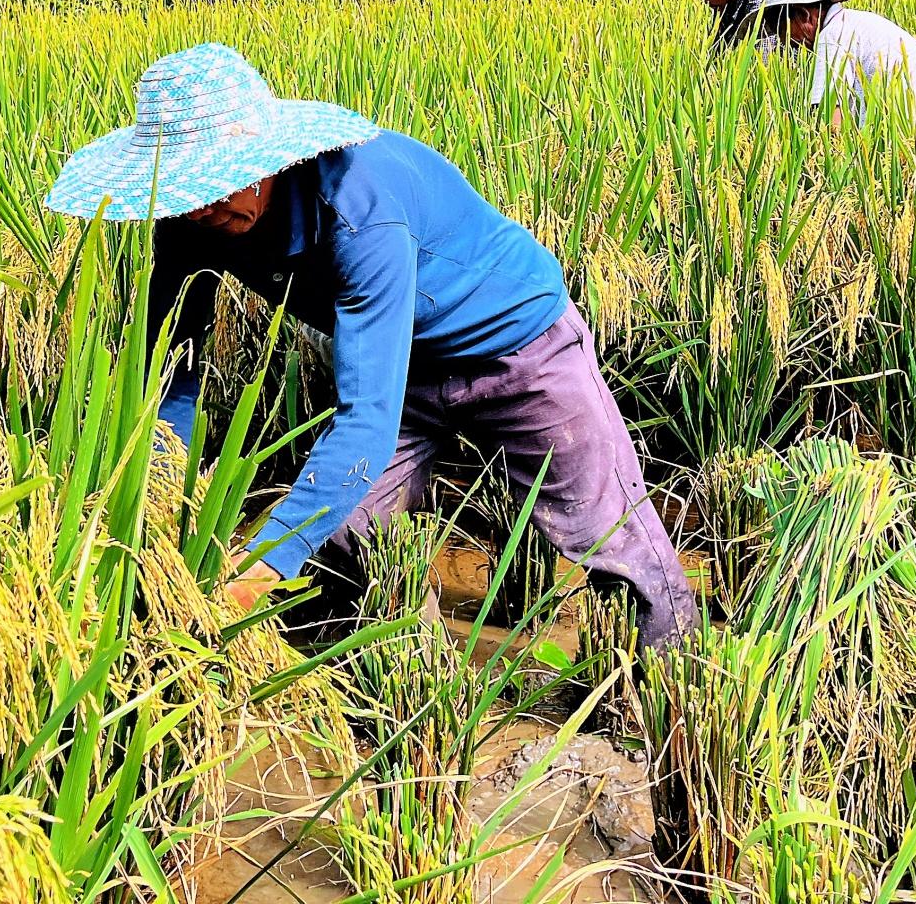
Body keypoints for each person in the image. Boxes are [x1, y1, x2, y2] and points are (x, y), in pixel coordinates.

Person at [44, 43, 699, 646]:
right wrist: (157, 489)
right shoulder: (190, 225)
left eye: (217, 185)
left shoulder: (361, 209)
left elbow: (365, 425)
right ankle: (338, 685)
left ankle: (671, 692)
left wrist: (256, 569)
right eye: (187, 192)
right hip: (407, 363)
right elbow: (175, 369)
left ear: (267, 160)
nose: (202, 210)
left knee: (608, 536)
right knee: (344, 534)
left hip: (520, 346)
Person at [751, 0, 916, 138]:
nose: (786, 42)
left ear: (804, 16)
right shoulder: (857, 23)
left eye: (783, 32)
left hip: (901, 145)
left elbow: (830, 124)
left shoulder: (832, 36)